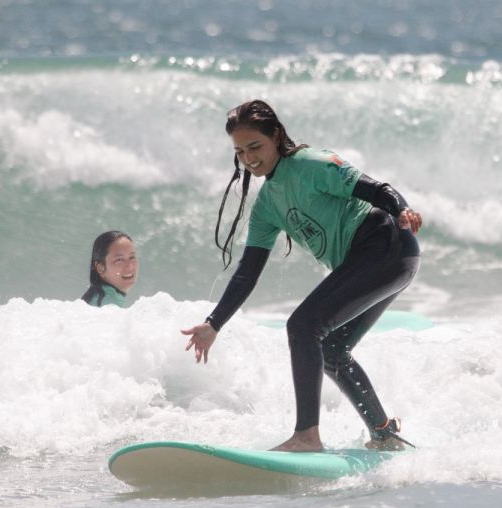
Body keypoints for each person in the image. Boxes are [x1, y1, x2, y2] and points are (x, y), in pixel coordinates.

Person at [181, 99, 424, 452]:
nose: (249, 158)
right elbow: (247, 273)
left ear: (276, 136)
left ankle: (307, 436)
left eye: (255, 147)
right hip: (381, 260)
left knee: (302, 326)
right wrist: (214, 323)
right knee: (331, 348)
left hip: (386, 245)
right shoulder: (266, 207)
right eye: (239, 152)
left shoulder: (310, 164)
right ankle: (384, 433)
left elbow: (376, 190)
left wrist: (403, 209)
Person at [80, 231, 138, 308]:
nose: (130, 266)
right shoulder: (108, 305)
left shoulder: (97, 297)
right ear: (101, 268)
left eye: (132, 257)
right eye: (119, 260)